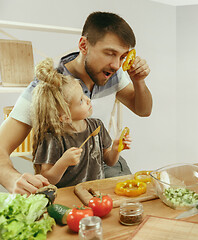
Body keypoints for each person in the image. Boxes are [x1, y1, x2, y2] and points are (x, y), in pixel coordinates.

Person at [0, 11, 152, 194]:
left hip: (104, 163)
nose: (116, 65)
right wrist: (11, 178)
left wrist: (138, 80)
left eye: (122, 57)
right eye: (110, 53)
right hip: (69, 175)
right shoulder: (47, 87)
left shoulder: (114, 74)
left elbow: (143, 110)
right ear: (83, 45)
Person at [31, 58, 131, 188]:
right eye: (81, 101)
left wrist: (116, 149)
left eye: (84, 95)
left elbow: (109, 161)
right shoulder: (52, 138)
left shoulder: (97, 126)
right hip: (69, 196)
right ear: (64, 117)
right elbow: (47, 178)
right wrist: (63, 162)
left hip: (95, 192)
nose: (88, 100)